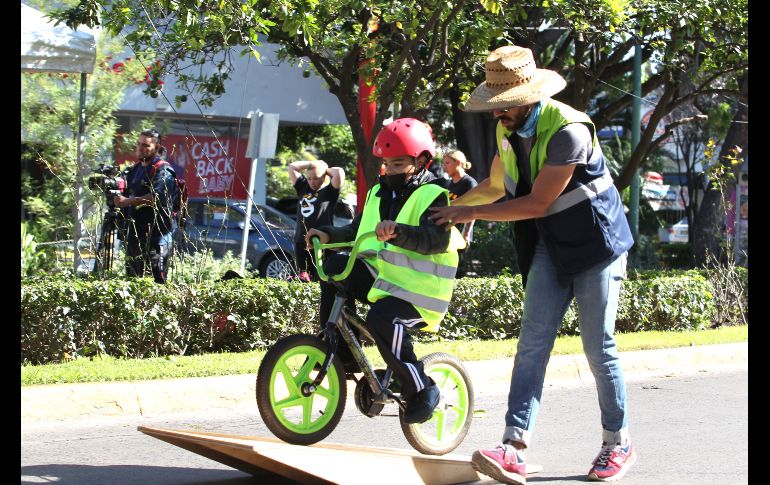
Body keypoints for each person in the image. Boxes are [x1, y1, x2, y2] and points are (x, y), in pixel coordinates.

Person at [429, 45, 636, 484]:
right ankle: (513, 446)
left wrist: (469, 215)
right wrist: (446, 205)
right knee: (532, 345)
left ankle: (617, 443)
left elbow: (538, 203)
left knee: (598, 348)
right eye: (494, 106)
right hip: (550, 244)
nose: (497, 115)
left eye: (504, 107)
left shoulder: (569, 130)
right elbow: (495, 185)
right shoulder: (508, 130)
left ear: (529, 96)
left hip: (595, 244)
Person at [305, 118, 466, 424]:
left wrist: (398, 232)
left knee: (382, 319)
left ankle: (423, 388)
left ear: (421, 161)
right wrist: (327, 234)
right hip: (384, 280)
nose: (390, 170)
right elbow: (356, 230)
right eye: (387, 164)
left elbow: (436, 239)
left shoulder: (435, 194)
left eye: (398, 164)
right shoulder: (378, 192)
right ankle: (344, 354)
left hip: (420, 292)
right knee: (334, 267)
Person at [114, 129, 179, 284]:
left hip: (157, 237)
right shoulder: (133, 169)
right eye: (138, 144)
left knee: (156, 283)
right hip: (134, 236)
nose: (140, 148)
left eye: (145, 145)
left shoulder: (164, 170)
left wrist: (128, 201)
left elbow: (157, 197)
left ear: (156, 148)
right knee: (133, 282)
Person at [287, 160, 345, 282]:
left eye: (316, 178)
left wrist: (324, 168)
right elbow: (292, 167)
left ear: (324, 176)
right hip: (301, 242)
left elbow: (339, 172)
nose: (312, 182)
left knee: (323, 281)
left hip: (323, 242)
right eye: (309, 178)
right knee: (303, 279)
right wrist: (312, 163)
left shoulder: (330, 191)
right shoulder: (303, 187)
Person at [442, 149, 478, 244]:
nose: (444, 167)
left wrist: (465, 234)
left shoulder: (469, 183)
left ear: (457, 162)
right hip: (446, 234)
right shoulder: (448, 184)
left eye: (447, 163)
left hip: (459, 237)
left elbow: (472, 209)